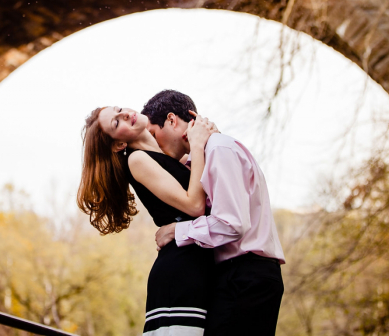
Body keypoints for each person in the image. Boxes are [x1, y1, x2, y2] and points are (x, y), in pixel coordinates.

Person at [143, 90, 286, 336]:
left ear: (172, 120)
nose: (155, 144)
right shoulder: (205, 155)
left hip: (247, 277)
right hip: (235, 276)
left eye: (154, 135)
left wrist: (178, 231)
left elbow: (231, 224)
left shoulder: (220, 149)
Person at [78, 105, 218, 335]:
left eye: (119, 109)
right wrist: (197, 144)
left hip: (201, 266)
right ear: (119, 145)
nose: (125, 114)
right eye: (116, 122)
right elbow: (194, 205)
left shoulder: (168, 156)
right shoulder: (137, 160)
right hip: (181, 273)